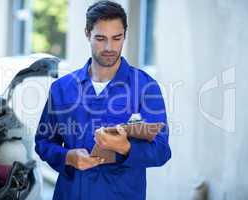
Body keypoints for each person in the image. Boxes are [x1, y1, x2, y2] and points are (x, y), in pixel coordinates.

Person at [35, 1, 171, 199]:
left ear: (125, 34)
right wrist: (68, 157)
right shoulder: (61, 88)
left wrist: (125, 147)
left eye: (117, 38)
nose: (109, 47)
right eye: (100, 38)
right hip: (72, 194)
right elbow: (43, 142)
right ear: (87, 33)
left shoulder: (145, 87)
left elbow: (162, 150)